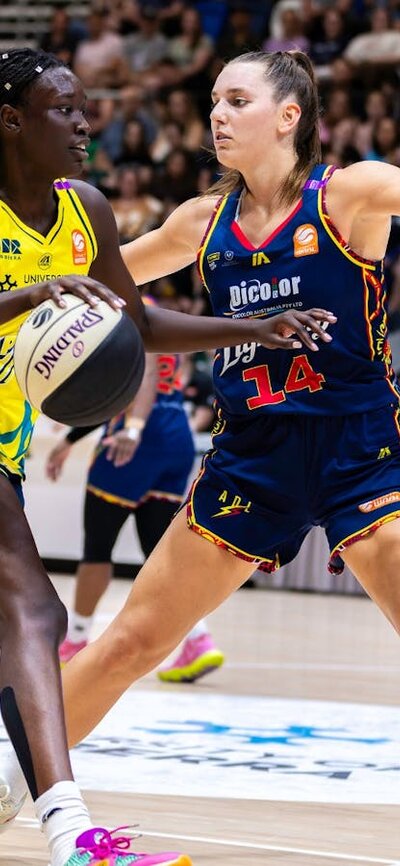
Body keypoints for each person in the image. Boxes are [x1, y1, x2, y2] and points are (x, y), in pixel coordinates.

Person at [0, 46, 332, 866]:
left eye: (86, 108)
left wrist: (254, 328)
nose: (85, 124)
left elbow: (139, 324)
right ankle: (72, 836)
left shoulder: (86, 210)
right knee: (35, 614)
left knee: (31, 619)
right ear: (11, 122)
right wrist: (30, 296)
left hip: (7, 448)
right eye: (64, 110)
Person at [46, 318, 224, 683]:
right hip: (175, 433)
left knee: (98, 548)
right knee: (158, 551)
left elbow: (143, 376)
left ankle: (75, 641)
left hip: (135, 436)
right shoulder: (162, 317)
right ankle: (199, 639)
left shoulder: (128, 315)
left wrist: (133, 427)